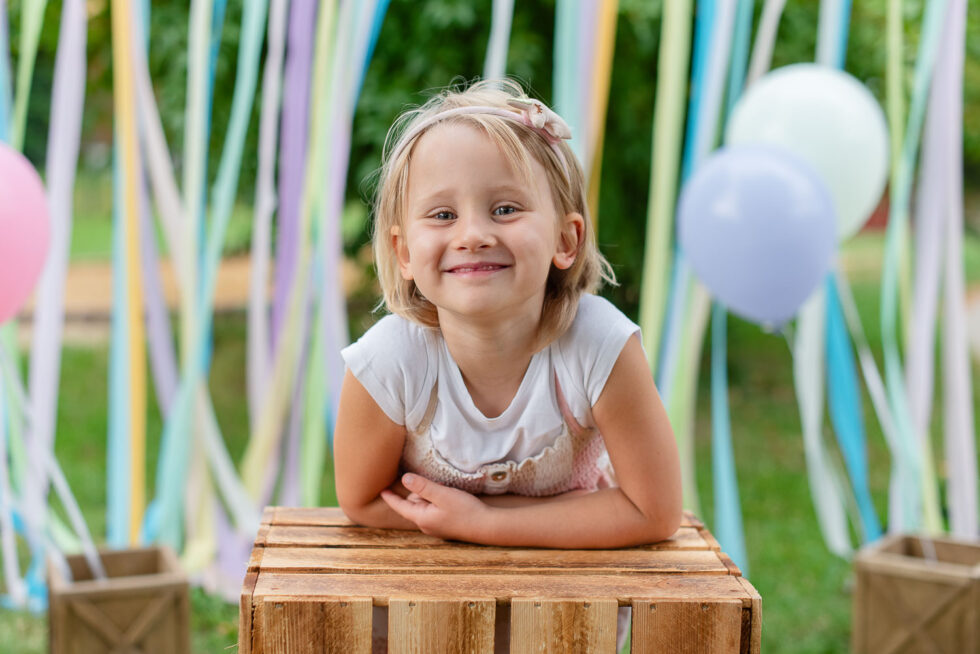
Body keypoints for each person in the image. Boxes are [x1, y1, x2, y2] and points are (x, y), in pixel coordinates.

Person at [333, 79, 682, 651]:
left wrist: (486, 523)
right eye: (442, 214)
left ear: (565, 240)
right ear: (403, 253)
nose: (473, 235)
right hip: (422, 626)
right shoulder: (388, 361)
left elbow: (655, 510)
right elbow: (362, 500)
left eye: (505, 208)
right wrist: (567, 515)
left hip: (564, 623)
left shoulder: (600, 345)